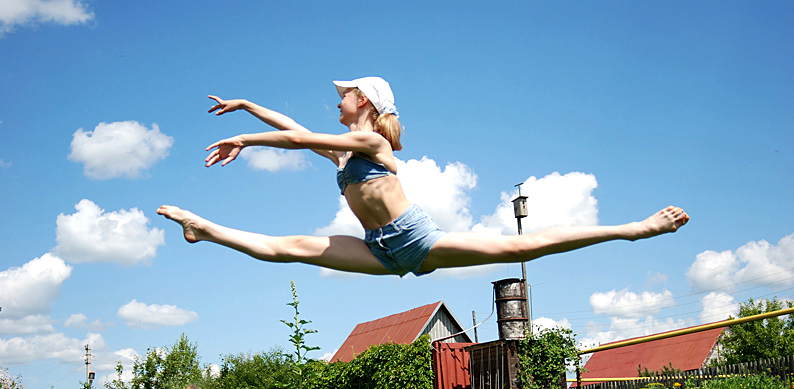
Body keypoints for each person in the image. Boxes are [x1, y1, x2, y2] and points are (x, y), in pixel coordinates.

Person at [158, 77, 689, 277]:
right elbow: (295, 128)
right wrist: (249, 106)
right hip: (378, 249)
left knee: (521, 249)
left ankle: (638, 228)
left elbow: (297, 139)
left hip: (416, 239)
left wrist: (247, 141)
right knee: (288, 246)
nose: (336, 98)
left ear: (362, 102)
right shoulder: (344, 156)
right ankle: (203, 228)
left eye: (344, 92)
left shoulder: (373, 143)